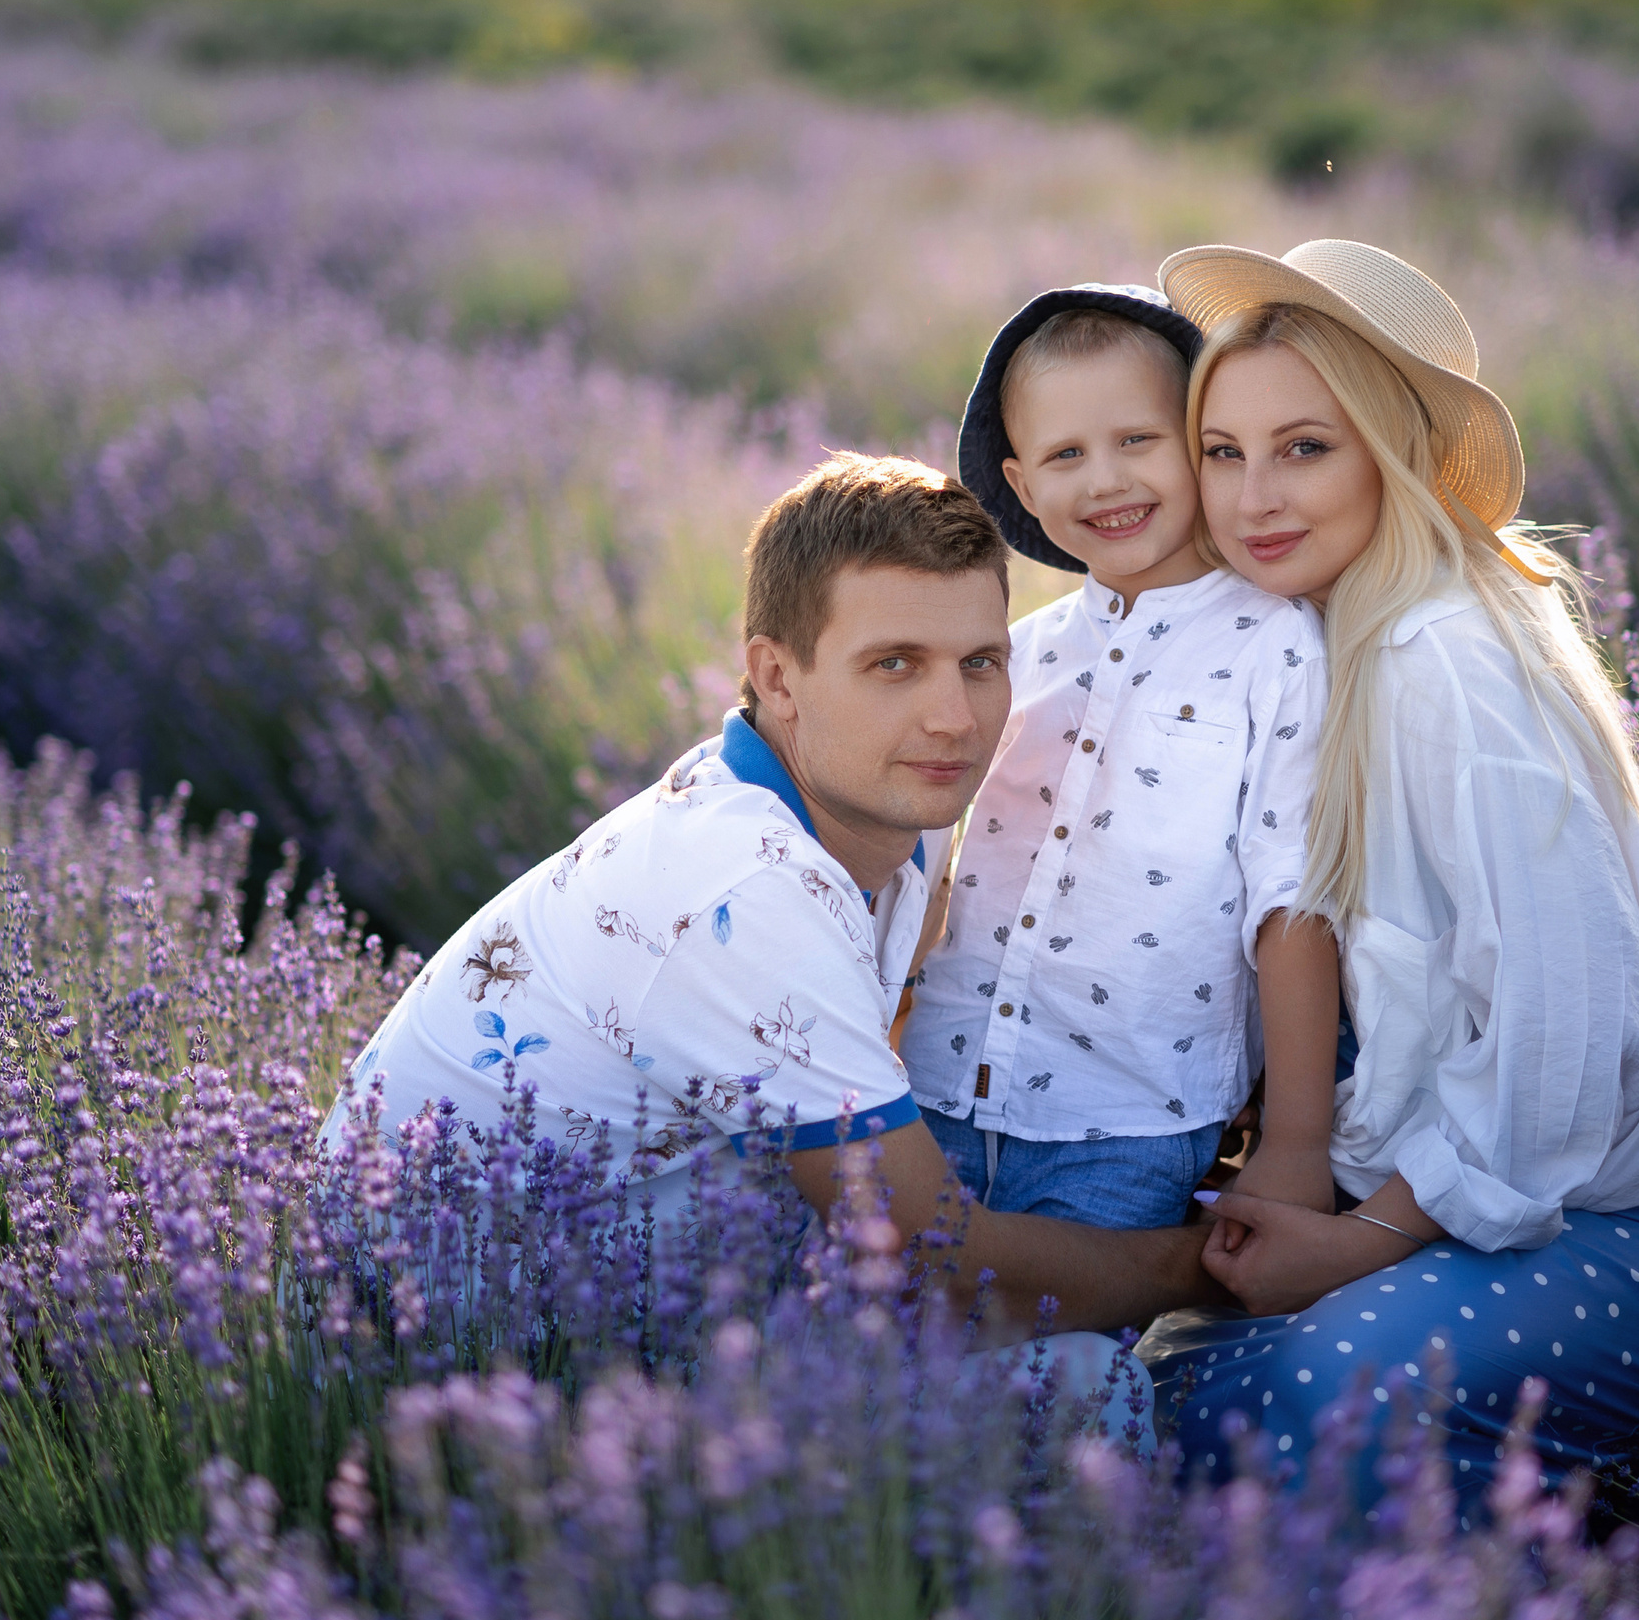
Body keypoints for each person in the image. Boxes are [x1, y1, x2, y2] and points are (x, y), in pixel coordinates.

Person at [1134, 240, 1639, 1494]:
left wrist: (1358, 1242)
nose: (1253, 497)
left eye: (1304, 447)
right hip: (1458, 1195)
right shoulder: (1312, 637)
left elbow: (1562, 1033)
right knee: (1146, 1394)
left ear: (1392, 453)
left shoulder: (1443, 657)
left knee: (1324, 1400)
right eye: (1222, 450)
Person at [328, 450, 1223, 1357]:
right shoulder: (746, 891)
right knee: (1079, 1386)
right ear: (778, 676)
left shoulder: (878, 811)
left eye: (981, 662)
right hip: (432, 1360)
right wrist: (1209, 1266)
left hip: (634, 1318)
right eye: (895, 664)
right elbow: (939, 1267)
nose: (955, 718)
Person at [902, 283, 1346, 1232]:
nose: (1104, 481)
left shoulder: (1275, 647)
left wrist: (1296, 1143)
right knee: (882, 1313)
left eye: (1138, 440)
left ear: (1199, 448)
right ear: (1023, 486)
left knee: (1068, 1326)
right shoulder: (1016, 651)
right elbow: (928, 857)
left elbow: (1292, 902)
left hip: (1132, 1120)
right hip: (938, 1087)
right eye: (1066, 455)